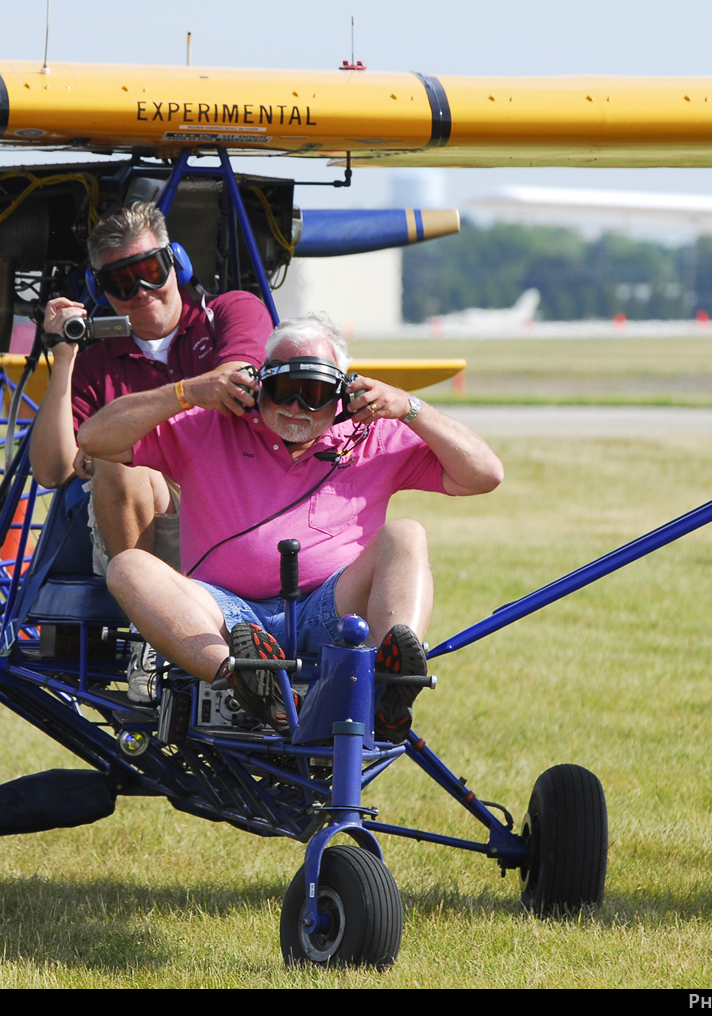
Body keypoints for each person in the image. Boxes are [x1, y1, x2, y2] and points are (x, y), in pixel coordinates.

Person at [76, 313, 503, 741]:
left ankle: (389, 685)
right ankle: (247, 682)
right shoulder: (209, 422)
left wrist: (410, 408)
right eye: (284, 390)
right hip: (225, 616)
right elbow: (94, 439)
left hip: (332, 605)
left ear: (342, 395)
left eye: (315, 393)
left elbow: (484, 474)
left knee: (406, 533)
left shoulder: (372, 433)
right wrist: (187, 392)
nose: (297, 406)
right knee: (129, 566)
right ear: (259, 385)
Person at [31, 201, 273, 570]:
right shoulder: (95, 364)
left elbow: (235, 384)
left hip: (235, 506)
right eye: (122, 282)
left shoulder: (231, 312)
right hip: (153, 520)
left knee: (112, 452)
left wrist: (114, 432)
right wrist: (63, 356)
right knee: (118, 464)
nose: (142, 291)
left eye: (151, 271)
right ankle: (145, 605)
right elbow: (52, 471)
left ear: (177, 264)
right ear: (102, 292)